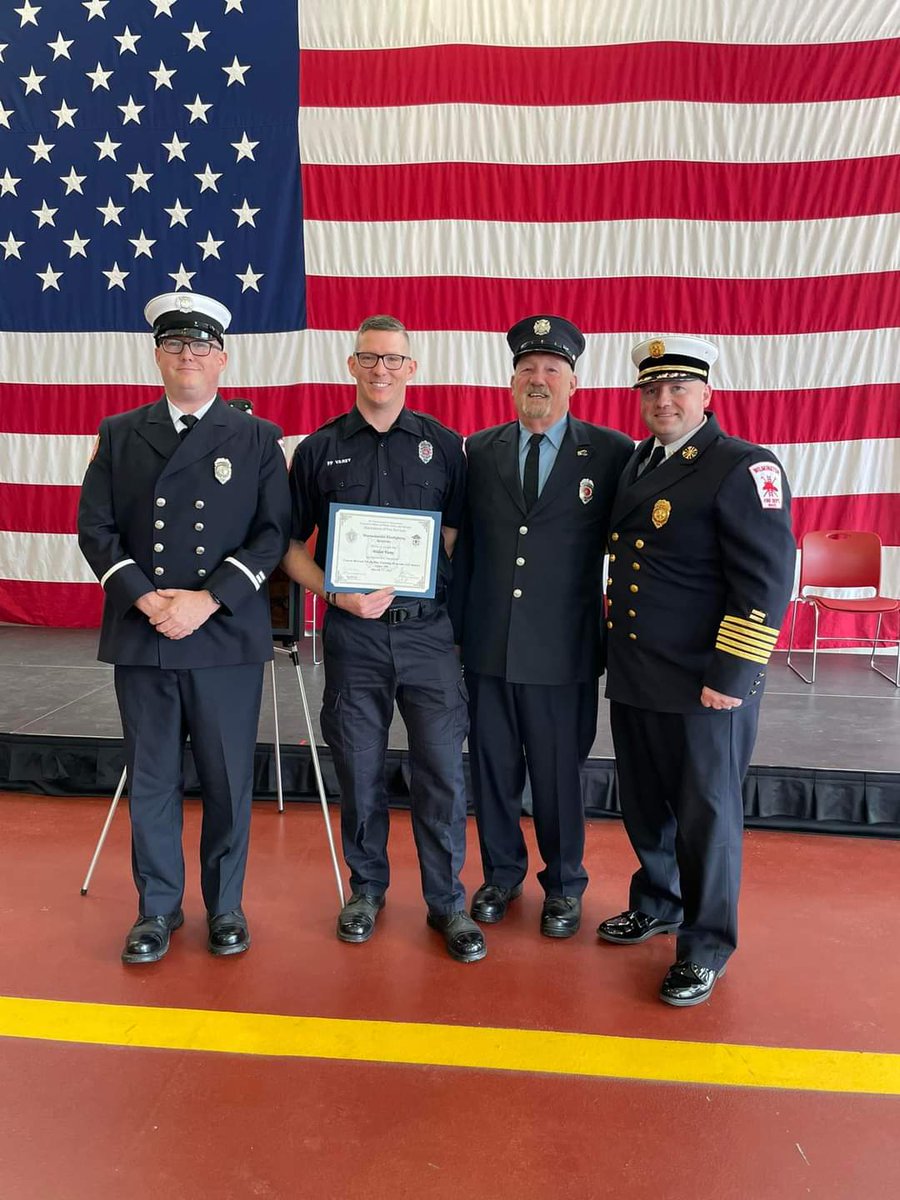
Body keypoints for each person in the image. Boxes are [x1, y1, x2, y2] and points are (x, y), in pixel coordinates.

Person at [77, 292, 291, 964]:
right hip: (145, 633)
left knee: (228, 779)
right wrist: (147, 600)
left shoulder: (258, 439)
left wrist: (206, 601)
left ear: (222, 358)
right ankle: (157, 909)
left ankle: (225, 906)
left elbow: (272, 534)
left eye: (200, 346)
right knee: (153, 777)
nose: (187, 356)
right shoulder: (120, 432)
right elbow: (96, 528)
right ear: (158, 355)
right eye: (175, 345)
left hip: (222, 634)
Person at [597, 334, 796, 1005]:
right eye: (651, 389)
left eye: (678, 387)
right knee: (647, 805)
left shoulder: (742, 466)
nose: (663, 400)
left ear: (707, 395)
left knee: (707, 817)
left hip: (703, 683)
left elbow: (767, 582)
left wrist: (732, 674)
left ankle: (706, 945)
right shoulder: (635, 464)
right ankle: (658, 900)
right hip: (637, 672)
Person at [281, 315, 485, 963]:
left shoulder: (445, 446)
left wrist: (419, 578)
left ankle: (446, 901)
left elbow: (454, 534)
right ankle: (366, 890)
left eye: (394, 360)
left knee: (442, 774)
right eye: (369, 358)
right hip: (353, 637)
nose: (381, 370)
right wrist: (335, 593)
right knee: (359, 769)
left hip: (427, 637)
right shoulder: (317, 450)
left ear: (411, 369)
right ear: (351, 365)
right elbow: (287, 548)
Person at [451, 316, 633, 937]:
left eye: (551, 370)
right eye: (528, 369)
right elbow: (465, 548)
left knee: (558, 777)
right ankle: (501, 875)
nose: (538, 379)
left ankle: (564, 886)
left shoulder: (610, 453)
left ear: (573, 382)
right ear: (511, 381)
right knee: (493, 770)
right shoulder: (478, 449)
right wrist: (455, 635)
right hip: (488, 646)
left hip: (565, 651)